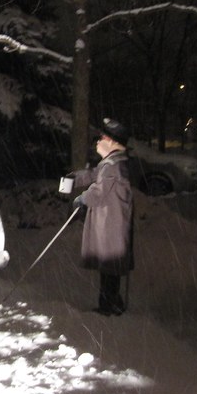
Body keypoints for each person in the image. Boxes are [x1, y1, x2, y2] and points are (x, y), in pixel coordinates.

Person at [70, 118, 134, 316]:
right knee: (109, 270)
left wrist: (82, 199)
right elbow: (95, 174)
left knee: (109, 270)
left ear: (114, 142)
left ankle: (107, 308)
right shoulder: (112, 163)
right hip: (111, 226)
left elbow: (99, 191)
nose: (98, 141)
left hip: (111, 227)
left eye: (103, 137)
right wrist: (76, 177)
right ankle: (113, 304)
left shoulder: (113, 167)